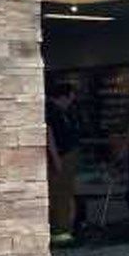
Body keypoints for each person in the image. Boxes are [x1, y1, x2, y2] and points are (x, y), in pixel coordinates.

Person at [45, 82, 82, 246]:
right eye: (70, 99)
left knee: (66, 192)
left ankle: (68, 226)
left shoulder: (61, 111)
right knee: (60, 194)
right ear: (62, 97)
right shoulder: (51, 111)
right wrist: (56, 159)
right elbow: (49, 135)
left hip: (67, 155)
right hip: (62, 155)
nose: (71, 103)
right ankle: (61, 232)